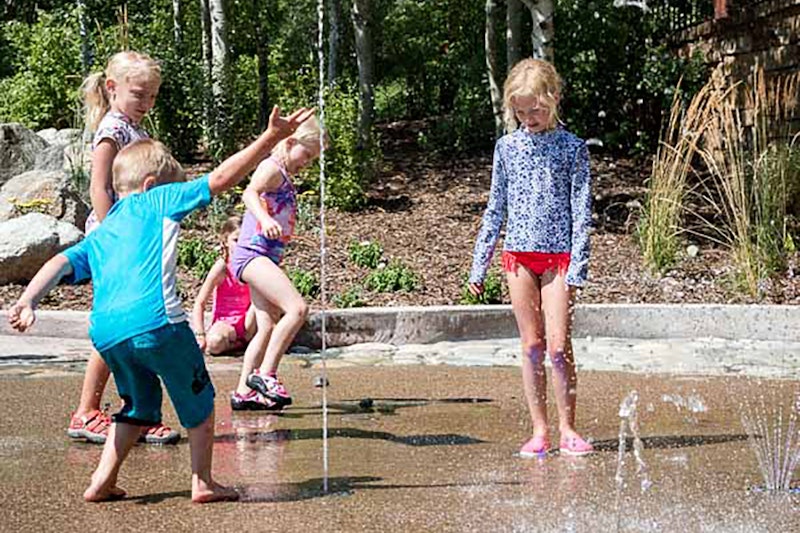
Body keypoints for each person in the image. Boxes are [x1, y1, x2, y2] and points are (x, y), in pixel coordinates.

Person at [7, 106, 315, 503]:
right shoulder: (158, 200)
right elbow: (221, 179)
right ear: (152, 184)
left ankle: (102, 481)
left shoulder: (104, 229)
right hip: (156, 323)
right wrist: (269, 139)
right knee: (200, 402)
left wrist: (29, 300)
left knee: (136, 406)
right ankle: (203, 482)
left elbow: (59, 261)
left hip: (106, 334)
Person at [468, 58, 594, 457]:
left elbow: (582, 210)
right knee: (532, 345)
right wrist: (480, 261)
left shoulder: (573, 149)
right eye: (520, 112)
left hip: (558, 259)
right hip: (518, 258)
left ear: (553, 99)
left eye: (536, 110)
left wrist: (579, 266)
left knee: (558, 346)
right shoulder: (506, 148)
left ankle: (568, 428)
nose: (529, 118)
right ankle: (539, 430)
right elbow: (495, 207)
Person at [69, 50, 178, 445]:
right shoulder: (112, 129)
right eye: (139, 94)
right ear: (112, 88)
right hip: (116, 242)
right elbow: (101, 187)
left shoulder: (134, 128)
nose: (146, 104)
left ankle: (139, 412)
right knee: (117, 325)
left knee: (135, 324)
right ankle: (86, 411)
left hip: (135, 241)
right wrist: (114, 235)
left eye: (152, 96)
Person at [229, 116, 326, 411]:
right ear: (290, 141)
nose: (307, 163)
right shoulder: (271, 167)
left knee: (267, 325)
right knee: (297, 309)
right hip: (252, 255)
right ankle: (266, 375)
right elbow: (249, 193)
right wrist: (266, 218)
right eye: (307, 155)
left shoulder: (282, 174)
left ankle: (244, 391)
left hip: (263, 256)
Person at [191, 216, 257, 356]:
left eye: (244, 240)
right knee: (214, 344)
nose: (240, 245)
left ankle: (246, 340)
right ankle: (238, 344)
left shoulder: (254, 264)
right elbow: (200, 302)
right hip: (227, 321)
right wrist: (200, 334)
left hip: (251, 320)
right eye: (235, 240)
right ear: (225, 241)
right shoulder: (223, 267)